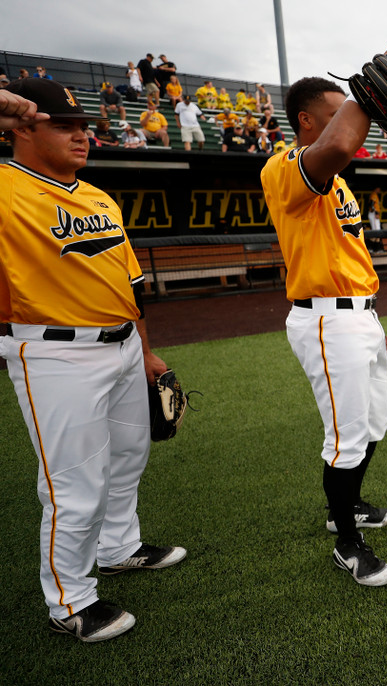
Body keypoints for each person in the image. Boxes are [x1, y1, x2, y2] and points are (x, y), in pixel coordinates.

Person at [0, 78, 186, 644]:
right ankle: (70, 601)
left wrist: (147, 350)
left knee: (128, 458)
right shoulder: (4, 188)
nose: (82, 136)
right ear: (20, 128)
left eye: (85, 126)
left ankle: (119, 548)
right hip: (54, 351)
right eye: (65, 125)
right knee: (73, 484)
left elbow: (131, 285)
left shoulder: (98, 197)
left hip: (125, 345)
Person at [259, 34, 387, 585]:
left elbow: (350, 254)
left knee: (374, 421)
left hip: (357, 316)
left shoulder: (336, 184)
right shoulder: (285, 168)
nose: (352, 119)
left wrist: (372, 317)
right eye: (336, 113)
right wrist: (366, 87)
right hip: (325, 319)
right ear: (307, 122)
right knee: (347, 434)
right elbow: (342, 145)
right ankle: (347, 540)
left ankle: (342, 510)